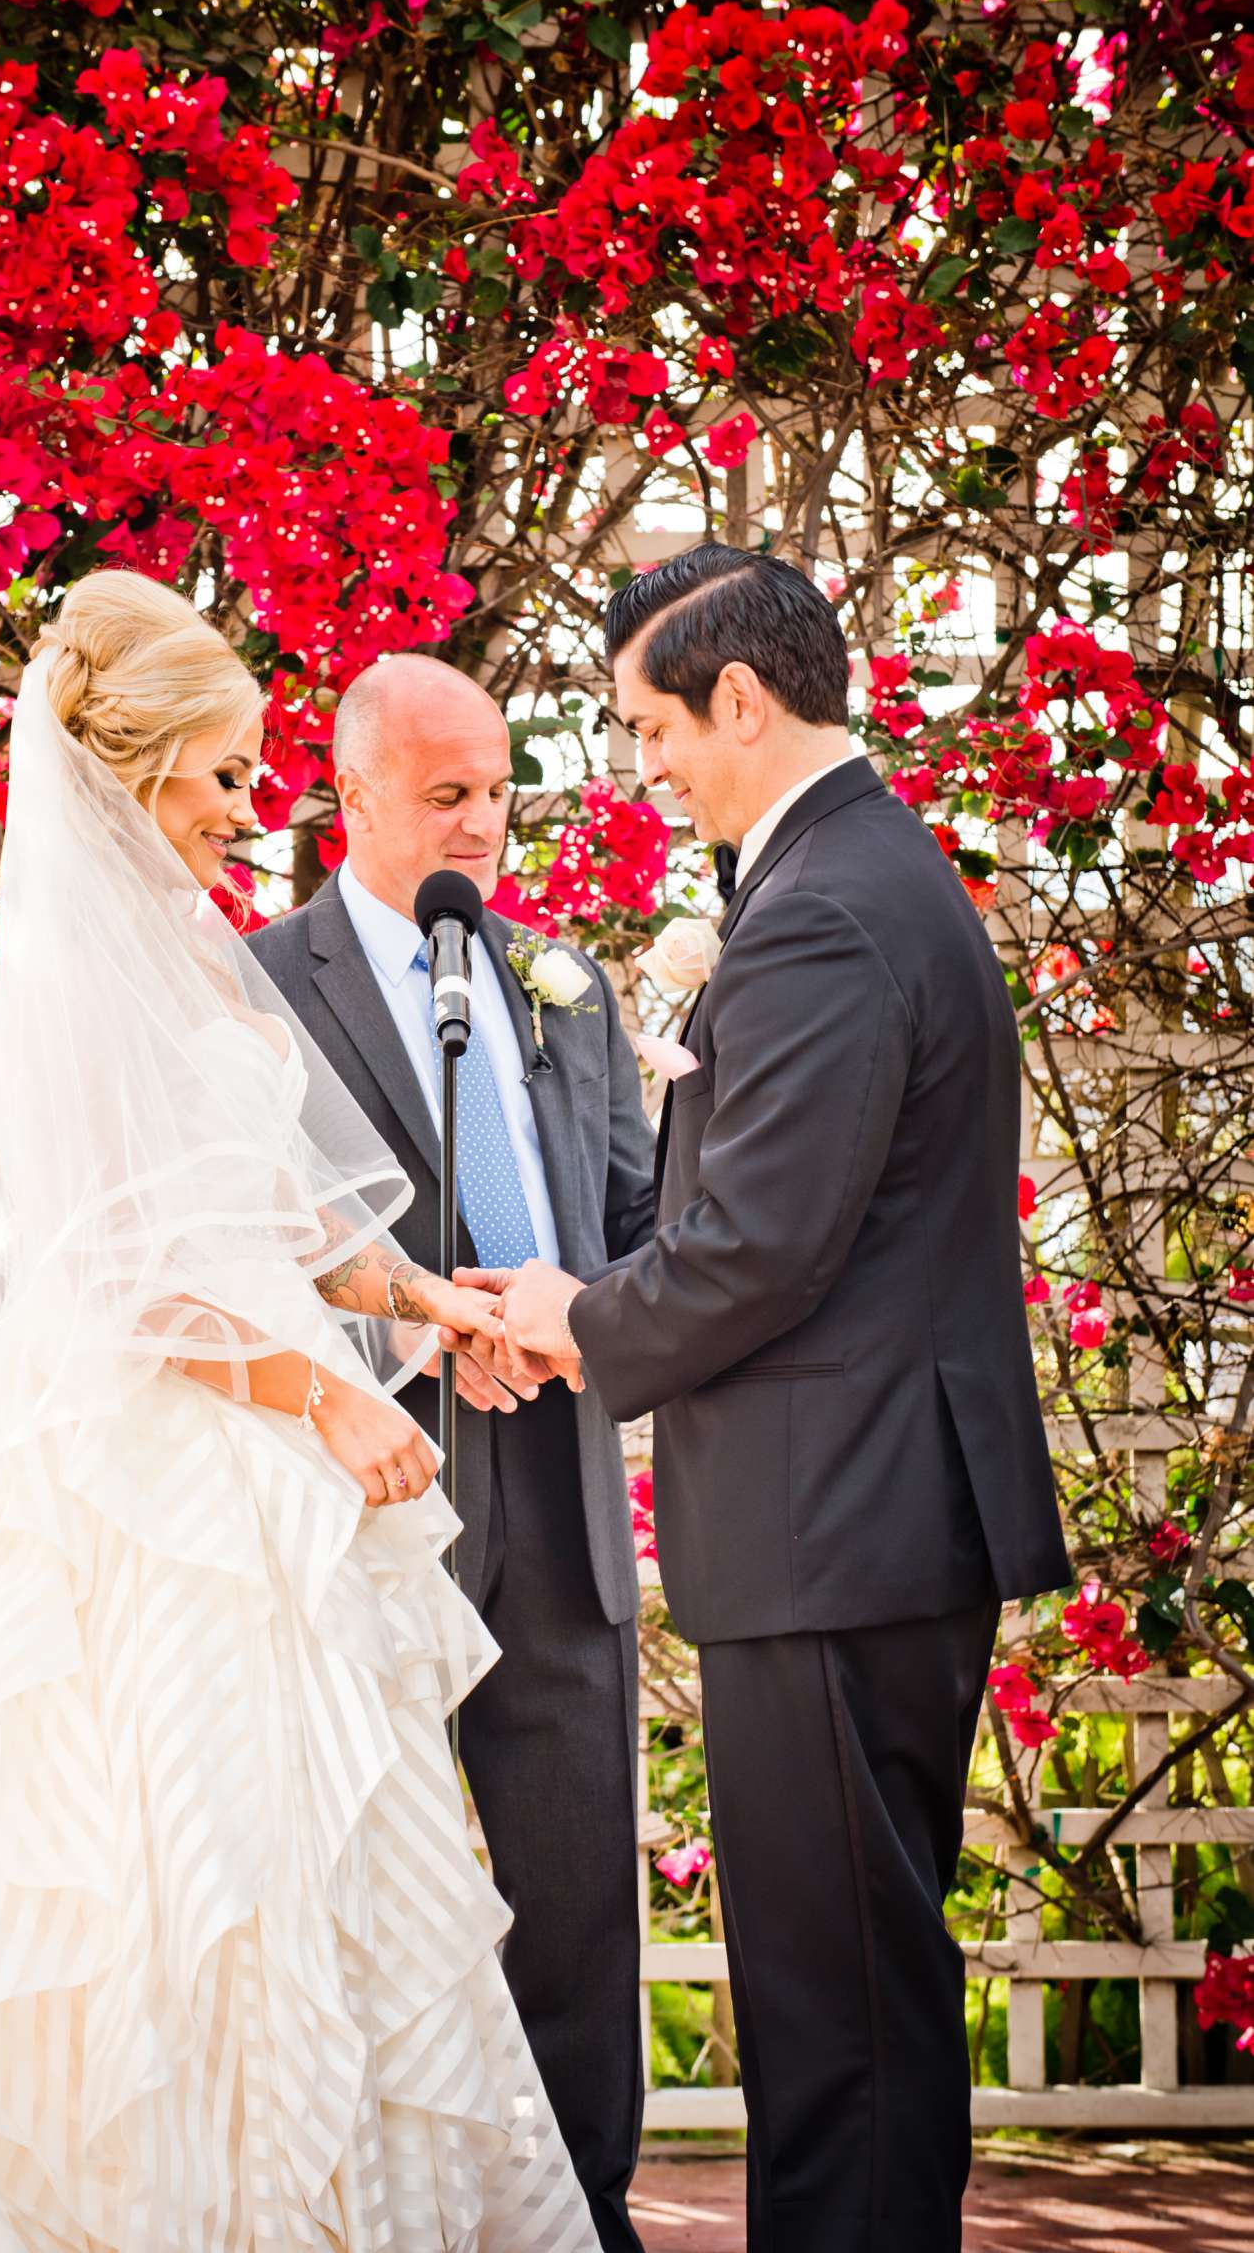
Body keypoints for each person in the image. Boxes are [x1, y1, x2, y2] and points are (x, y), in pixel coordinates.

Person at [0, 572, 601, 2253]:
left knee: (318, 1885)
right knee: (178, 1896)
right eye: (224, 777)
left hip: (260, 1484)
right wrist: (326, 1396)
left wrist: (424, 1301)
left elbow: (289, 1220)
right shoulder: (83, 987)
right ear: (131, 777)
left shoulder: (204, 973)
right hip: (157, 1504)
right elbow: (132, 1285)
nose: (252, 810)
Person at [489, 544, 1070, 2253]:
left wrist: (574, 1320)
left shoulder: (820, 907)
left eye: (647, 727)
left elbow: (755, 1251)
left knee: (837, 2007)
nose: (641, 765)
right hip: (873, 1511)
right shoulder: (862, 871)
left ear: (739, 699)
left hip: (838, 1522)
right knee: (853, 1981)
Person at [252, 654, 654, 2253]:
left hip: (557, 1496)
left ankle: (589, 2220)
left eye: (496, 788)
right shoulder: (257, 986)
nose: (482, 821)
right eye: (445, 794)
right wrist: (422, 1336)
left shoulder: (564, 980)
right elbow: (240, 1254)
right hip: (362, 1492)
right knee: (358, 1902)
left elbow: (627, 1226)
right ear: (351, 794)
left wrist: (575, 1324)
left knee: (574, 1904)